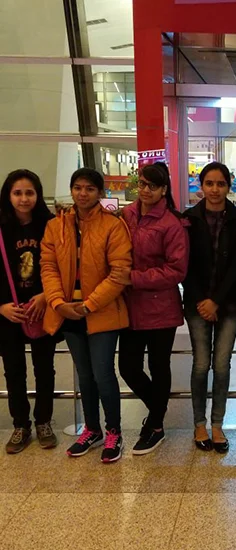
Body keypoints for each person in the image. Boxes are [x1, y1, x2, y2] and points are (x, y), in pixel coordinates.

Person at [41, 168, 132, 463]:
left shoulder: (113, 226)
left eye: (90, 189)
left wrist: (89, 305)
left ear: (100, 193)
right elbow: (48, 267)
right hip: (68, 311)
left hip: (101, 311)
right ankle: (92, 429)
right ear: (72, 190)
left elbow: (119, 273)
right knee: (84, 374)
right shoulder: (56, 226)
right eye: (78, 187)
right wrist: (58, 302)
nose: (83, 193)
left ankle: (114, 432)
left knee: (103, 373)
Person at [117, 162, 189, 455]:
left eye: (153, 186)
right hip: (129, 307)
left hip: (161, 309)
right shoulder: (127, 215)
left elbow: (177, 270)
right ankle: (157, 410)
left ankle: (156, 425)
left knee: (159, 367)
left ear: (163, 190)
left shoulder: (171, 224)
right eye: (143, 184)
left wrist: (134, 278)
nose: (146, 190)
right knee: (128, 367)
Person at [183, 161, 236, 453]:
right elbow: (184, 264)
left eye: (220, 184)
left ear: (228, 187)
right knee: (201, 364)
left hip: (230, 303)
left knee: (221, 364)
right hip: (197, 303)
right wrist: (202, 300)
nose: (214, 189)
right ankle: (199, 423)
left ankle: (218, 424)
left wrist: (216, 301)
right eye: (209, 183)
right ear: (201, 186)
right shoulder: (188, 219)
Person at [0, 170, 59, 454]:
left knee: (44, 368)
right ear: (8, 196)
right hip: (9, 312)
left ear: (38, 195)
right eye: (17, 193)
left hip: (41, 308)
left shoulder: (50, 226)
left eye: (29, 193)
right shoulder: (2, 227)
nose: (24, 199)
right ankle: (20, 425)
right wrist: (1, 306)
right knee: (14, 370)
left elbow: (62, 266)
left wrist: (47, 296)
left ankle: (43, 421)